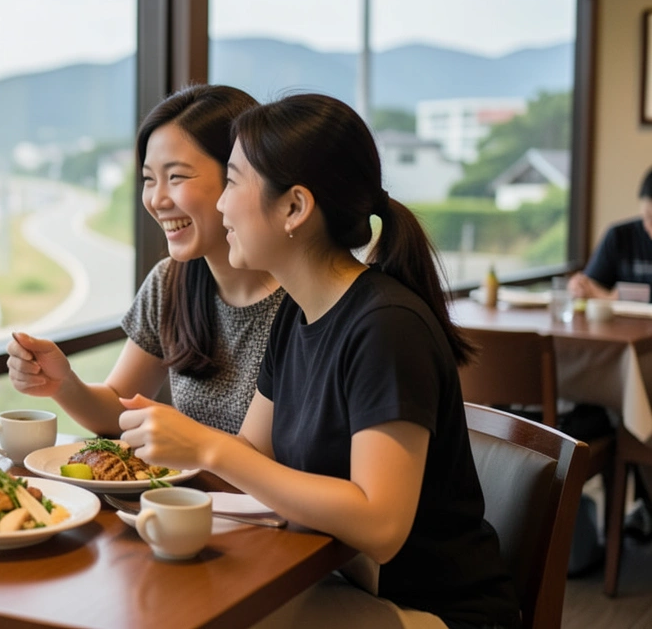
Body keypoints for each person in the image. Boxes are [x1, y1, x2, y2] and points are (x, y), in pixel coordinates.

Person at [120, 93, 519, 628]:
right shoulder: (298, 313)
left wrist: (208, 447)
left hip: (431, 612)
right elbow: (252, 454)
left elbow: (381, 525)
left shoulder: (386, 327)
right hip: (334, 580)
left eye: (232, 183)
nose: (221, 206)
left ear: (294, 208)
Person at [7, 85, 284, 437]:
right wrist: (62, 383)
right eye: (149, 179)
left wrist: (183, 436)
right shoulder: (170, 282)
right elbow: (119, 409)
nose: (156, 200)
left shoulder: (301, 298)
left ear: (242, 175)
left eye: (176, 176)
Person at [568, 165, 652, 301]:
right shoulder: (620, 236)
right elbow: (590, 285)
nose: (648, 226)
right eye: (647, 217)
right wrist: (579, 287)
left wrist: (607, 297)